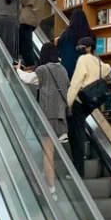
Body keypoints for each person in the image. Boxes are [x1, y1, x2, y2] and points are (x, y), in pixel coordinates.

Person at [18, 54, 69, 187]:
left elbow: (28, 79)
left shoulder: (43, 69)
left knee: (48, 154)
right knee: (49, 152)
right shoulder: (63, 70)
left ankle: (51, 186)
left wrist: (17, 69)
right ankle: (44, 174)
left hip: (48, 116)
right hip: (61, 117)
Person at [66, 37, 110, 176]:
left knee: (76, 135)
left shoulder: (83, 60)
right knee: (79, 132)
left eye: (81, 47)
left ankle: (78, 171)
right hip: (91, 102)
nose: (79, 50)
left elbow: (77, 81)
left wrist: (68, 102)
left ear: (89, 48)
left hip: (80, 100)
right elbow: (107, 68)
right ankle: (79, 169)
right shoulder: (97, 61)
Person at [54, 9, 95, 80]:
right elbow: (92, 51)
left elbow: (59, 54)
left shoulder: (65, 34)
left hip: (67, 70)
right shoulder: (90, 34)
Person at [18, 0, 43, 69]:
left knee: (25, 42)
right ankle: (27, 62)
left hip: (25, 18)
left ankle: (29, 63)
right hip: (35, 19)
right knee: (27, 40)